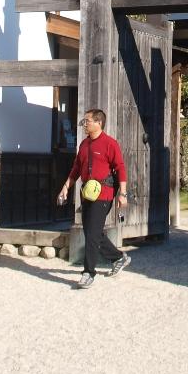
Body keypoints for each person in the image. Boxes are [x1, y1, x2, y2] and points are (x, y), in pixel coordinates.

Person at [57, 108, 130, 289]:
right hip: (86, 193)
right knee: (91, 232)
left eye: (87, 121)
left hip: (104, 193)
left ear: (99, 123)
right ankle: (118, 257)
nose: (84, 124)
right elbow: (76, 168)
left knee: (92, 234)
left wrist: (122, 193)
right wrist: (66, 187)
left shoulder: (110, 144)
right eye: (84, 121)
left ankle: (88, 272)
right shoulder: (84, 144)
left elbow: (120, 168)